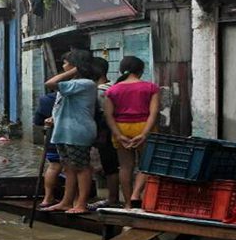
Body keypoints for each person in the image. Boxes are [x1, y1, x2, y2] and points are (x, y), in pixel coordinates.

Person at [42, 51, 98, 215]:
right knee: (68, 168)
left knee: (81, 168)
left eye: (66, 63)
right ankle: (66, 202)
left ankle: (81, 203)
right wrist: (53, 117)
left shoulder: (85, 83)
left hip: (77, 131)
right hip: (64, 131)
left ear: (75, 66)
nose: (63, 66)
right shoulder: (73, 83)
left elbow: (50, 83)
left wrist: (73, 71)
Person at [104, 56, 161, 209]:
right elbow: (153, 113)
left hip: (121, 127)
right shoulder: (151, 87)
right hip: (143, 126)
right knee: (146, 165)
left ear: (122, 70)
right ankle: (137, 194)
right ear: (141, 70)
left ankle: (128, 204)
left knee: (125, 166)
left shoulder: (112, 90)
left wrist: (118, 135)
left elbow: (108, 115)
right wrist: (144, 134)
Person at [89, 56, 121, 208]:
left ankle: (112, 198)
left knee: (108, 166)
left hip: (105, 133)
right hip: (116, 131)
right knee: (113, 165)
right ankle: (112, 197)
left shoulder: (99, 92)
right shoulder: (114, 86)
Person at [33, 91, 62, 207]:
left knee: (53, 166)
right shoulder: (75, 95)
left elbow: (38, 121)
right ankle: (73, 200)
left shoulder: (46, 99)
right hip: (69, 137)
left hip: (51, 137)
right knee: (72, 169)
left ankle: (48, 198)